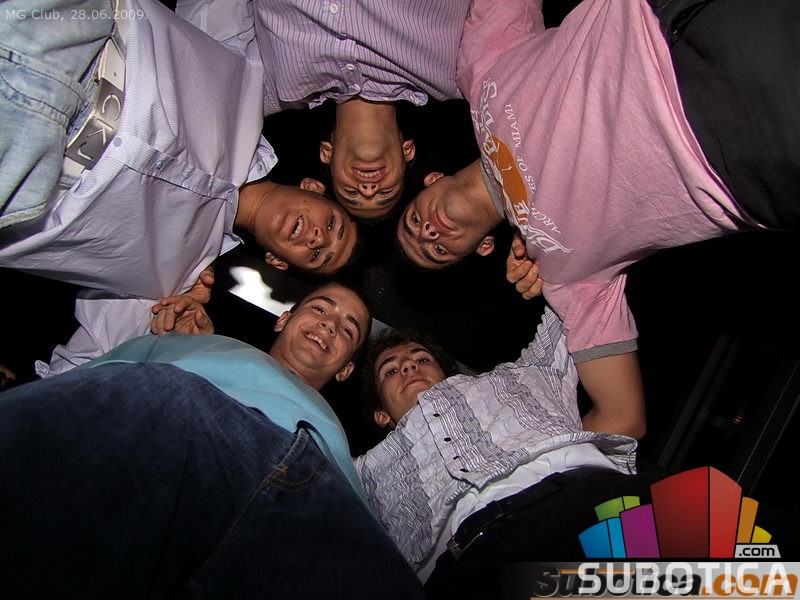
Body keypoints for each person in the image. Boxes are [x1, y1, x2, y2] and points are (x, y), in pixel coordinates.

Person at [396, 0, 799, 436]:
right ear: (482, 248)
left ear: (431, 180)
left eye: (414, 224)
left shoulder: (479, 73)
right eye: (436, 251)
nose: (428, 232)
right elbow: (622, 418)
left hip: (664, 18)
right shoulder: (563, 275)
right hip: (739, 152)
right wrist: (523, 462)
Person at [0, 282, 424, 599]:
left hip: (313, 482)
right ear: (284, 318)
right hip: (178, 421)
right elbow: (84, 393)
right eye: (319, 308)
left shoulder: (340, 444)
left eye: (348, 329)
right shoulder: (194, 347)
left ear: (345, 369)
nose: (330, 324)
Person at [0, 0, 358, 374]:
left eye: (318, 255)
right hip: (71, 33)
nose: (317, 239)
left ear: (278, 262)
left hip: (20, 179)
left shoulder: (176, 280)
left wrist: (174, 346)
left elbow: (84, 371)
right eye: (332, 224)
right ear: (313, 187)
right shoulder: (249, 85)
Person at [356, 309, 658, 598]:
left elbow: (576, 299)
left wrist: (547, 270)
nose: (409, 367)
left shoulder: (522, 376)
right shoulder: (366, 472)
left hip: (594, 501)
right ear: (381, 414)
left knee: (681, 573)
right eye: (390, 370)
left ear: (445, 373)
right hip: (477, 567)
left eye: (422, 358)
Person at [177, 0, 473, 219]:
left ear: (326, 154)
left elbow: (204, 32)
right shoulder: (452, 75)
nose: (368, 190)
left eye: (351, 193)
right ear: (407, 151)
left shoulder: (270, 89)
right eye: (386, 193)